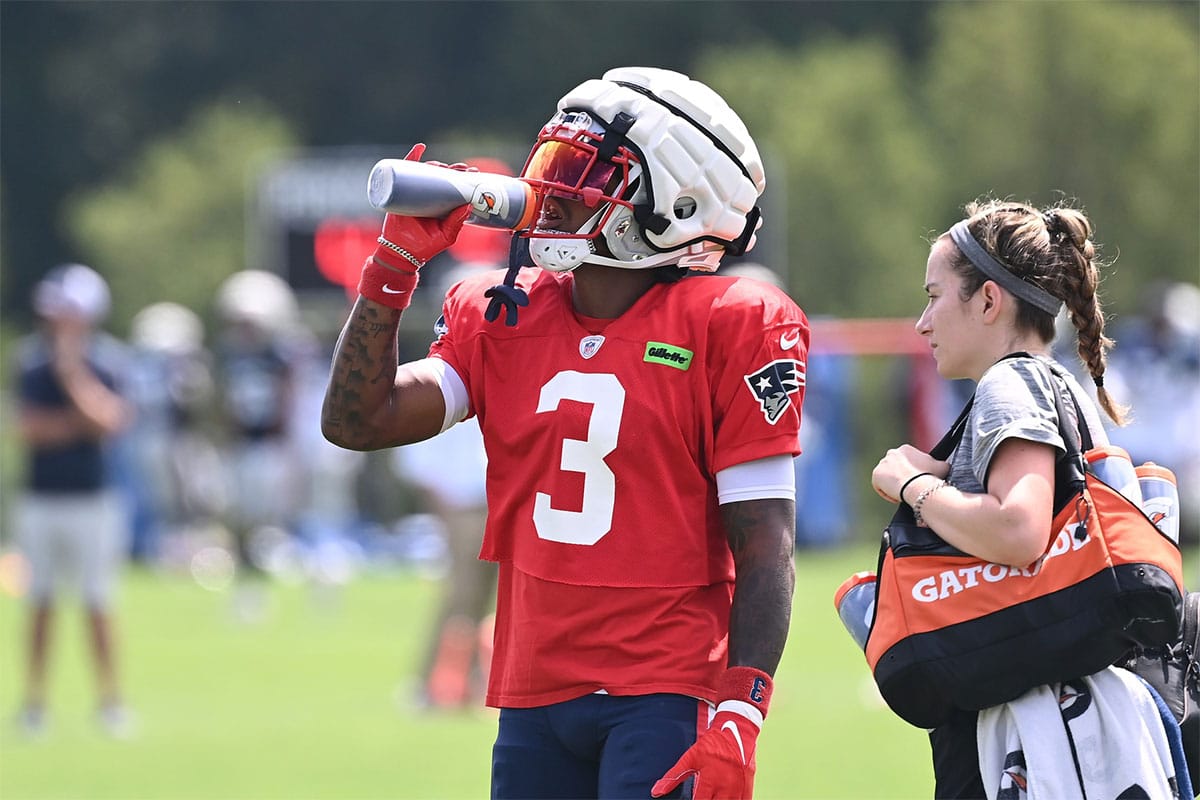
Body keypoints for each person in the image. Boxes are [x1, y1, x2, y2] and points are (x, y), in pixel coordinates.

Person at [321, 67, 808, 799]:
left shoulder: (734, 319)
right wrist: (392, 268)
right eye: (553, 163)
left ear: (675, 203)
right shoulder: (502, 308)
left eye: (584, 172)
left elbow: (765, 540)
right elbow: (359, 419)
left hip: (664, 688)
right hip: (533, 689)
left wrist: (743, 706)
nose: (554, 191)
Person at [871, 200, 1181, 798]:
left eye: (935, 296)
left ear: (989, 301)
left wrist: (913, 486)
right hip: (1079, 712)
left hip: (1043, 730)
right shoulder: (1047, 378)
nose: (922, 322)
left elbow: (1019, 529)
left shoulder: (1009, 383)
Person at [13, 264, 136, 738]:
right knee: (40, 602)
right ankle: (35, 704)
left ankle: (110, 702)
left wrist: (70, 376)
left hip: (93, 499)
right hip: (41, 499)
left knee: (98, 602)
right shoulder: (29, 361)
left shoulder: (108, 361)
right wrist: (78, 422)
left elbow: (110, 422)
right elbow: (28, 429)